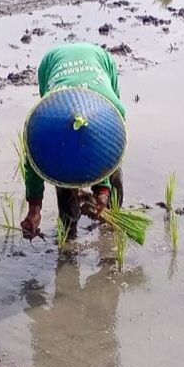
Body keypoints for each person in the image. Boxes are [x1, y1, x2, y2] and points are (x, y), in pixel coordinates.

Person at [20, 43, 126, 240]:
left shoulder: (114, 112)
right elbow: (34, 165)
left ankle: (111, 220)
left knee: (113, 171)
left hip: (99, 59)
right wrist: (34, 210)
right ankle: (69, 232)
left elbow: (109, 151)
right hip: (53, 61)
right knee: (62, 173)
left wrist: (103, 190)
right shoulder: (43, 128)